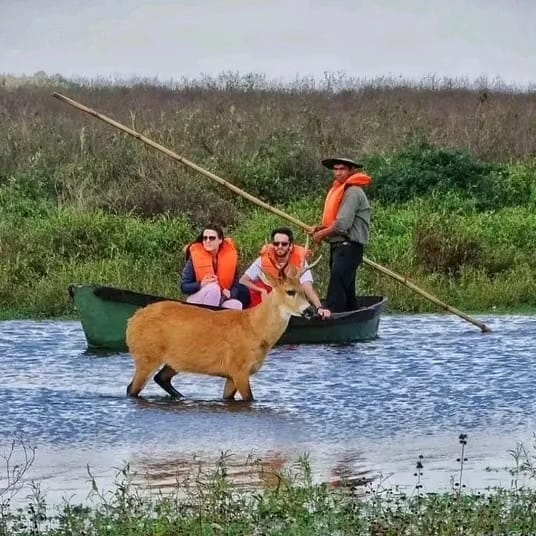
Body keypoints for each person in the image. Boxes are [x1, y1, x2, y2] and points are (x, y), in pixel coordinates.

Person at [312, 157, 372, 313]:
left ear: (351, 171)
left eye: (342, 169)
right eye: (336, 169)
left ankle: (330, 315)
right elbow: (334, 222)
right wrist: (320, 229)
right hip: (339, 248)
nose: (338, 173)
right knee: (347, 291)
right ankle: (352, 316)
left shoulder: (353, 192)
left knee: (337, 287)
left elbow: (342, 225)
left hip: (349, 248)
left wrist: (321, 235)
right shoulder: (341, 190)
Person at [239, 227, 331, 319]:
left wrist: (319, 307)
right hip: (268, 308)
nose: (280, 246)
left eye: (284, 244)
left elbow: (307, 287)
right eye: (276, 243)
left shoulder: (300, 263)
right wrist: (260, 290)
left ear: (290, 246)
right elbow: (243, 280)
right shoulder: (263, 261)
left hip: (291, 307)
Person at [180, 224, 249, 309]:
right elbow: (184, 286)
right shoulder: (194, 258)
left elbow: (235, 284)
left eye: (212, 238)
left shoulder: (230, 258)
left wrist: (231, 293)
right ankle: (208, 321)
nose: (207, 241)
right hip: (197, 301)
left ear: (220, 240)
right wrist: (201, 284)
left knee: (236, 305)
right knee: (214, 288)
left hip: (221, 299)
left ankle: (218, 321)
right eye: (205, 238)